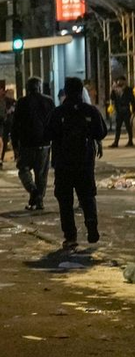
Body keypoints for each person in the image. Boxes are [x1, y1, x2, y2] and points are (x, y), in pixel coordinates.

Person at [44, 76, 109, 249]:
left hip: (63, 164)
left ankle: (70, 236)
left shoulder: (58, 113)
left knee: (65, 201)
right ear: (81, 91)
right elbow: (101, 132)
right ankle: (91, 225)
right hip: (85, 163)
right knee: (87, 196)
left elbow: (47, 134)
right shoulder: (90, 111)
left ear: (65, 91)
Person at [10, 77, 54, 211]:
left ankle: (33, 191)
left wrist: (15, 146)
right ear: (39, 87)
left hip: (26, 143)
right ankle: (39, 199)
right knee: (41, 174)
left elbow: (15, 126)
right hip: (44, 143)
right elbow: (54, 122)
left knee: (23, 169)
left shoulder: (22, 102)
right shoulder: (48, 101)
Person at [109, 76, 134, 147]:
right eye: (118, 81)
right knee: (118, 127)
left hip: (126, 111)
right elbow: (112, 98)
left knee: (128, 127)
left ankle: (130, 141)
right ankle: (116, 142)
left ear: (124, 81)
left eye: (120, 80)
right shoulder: (116, 90)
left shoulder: (128, 89)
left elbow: (132, 100)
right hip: (119, 111)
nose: (119, 82)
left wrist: (133, 111)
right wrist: (112, 90)